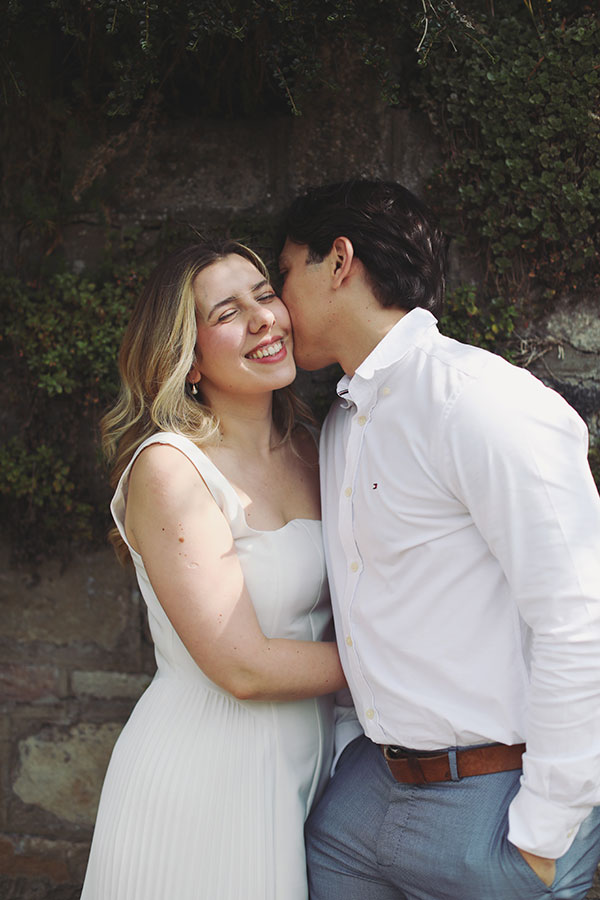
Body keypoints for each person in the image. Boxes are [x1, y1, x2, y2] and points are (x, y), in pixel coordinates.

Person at [277, 179, 600, 900]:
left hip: (495, 806)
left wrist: (544, 834)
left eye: (283, 272)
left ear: (338, 262)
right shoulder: (340, 423)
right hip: (364, 799)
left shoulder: (478, 401)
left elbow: (580, 613)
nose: (275, 303)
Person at [80, 240, 360, 900]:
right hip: (205, 775)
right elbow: (241, 666)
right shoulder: (171, 469)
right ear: (189, 357)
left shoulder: (315, 445)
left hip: (308, 772)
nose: (264, 318)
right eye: (228, 311)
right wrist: (399, 657)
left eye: (266, 294)